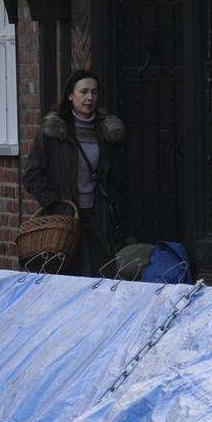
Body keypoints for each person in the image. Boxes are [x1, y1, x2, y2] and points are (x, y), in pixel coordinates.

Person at [21, 69, 126, 275]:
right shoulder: (53, 132)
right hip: (66, 217)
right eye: (83, 92)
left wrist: (112, 202)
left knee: (101, 273)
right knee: (71, 273)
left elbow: (114, 174)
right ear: (70, 95)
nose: (90, 98)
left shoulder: (106, 132)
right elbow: (32, 174)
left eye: (94, 92)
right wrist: (55, 204)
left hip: (98, 216)